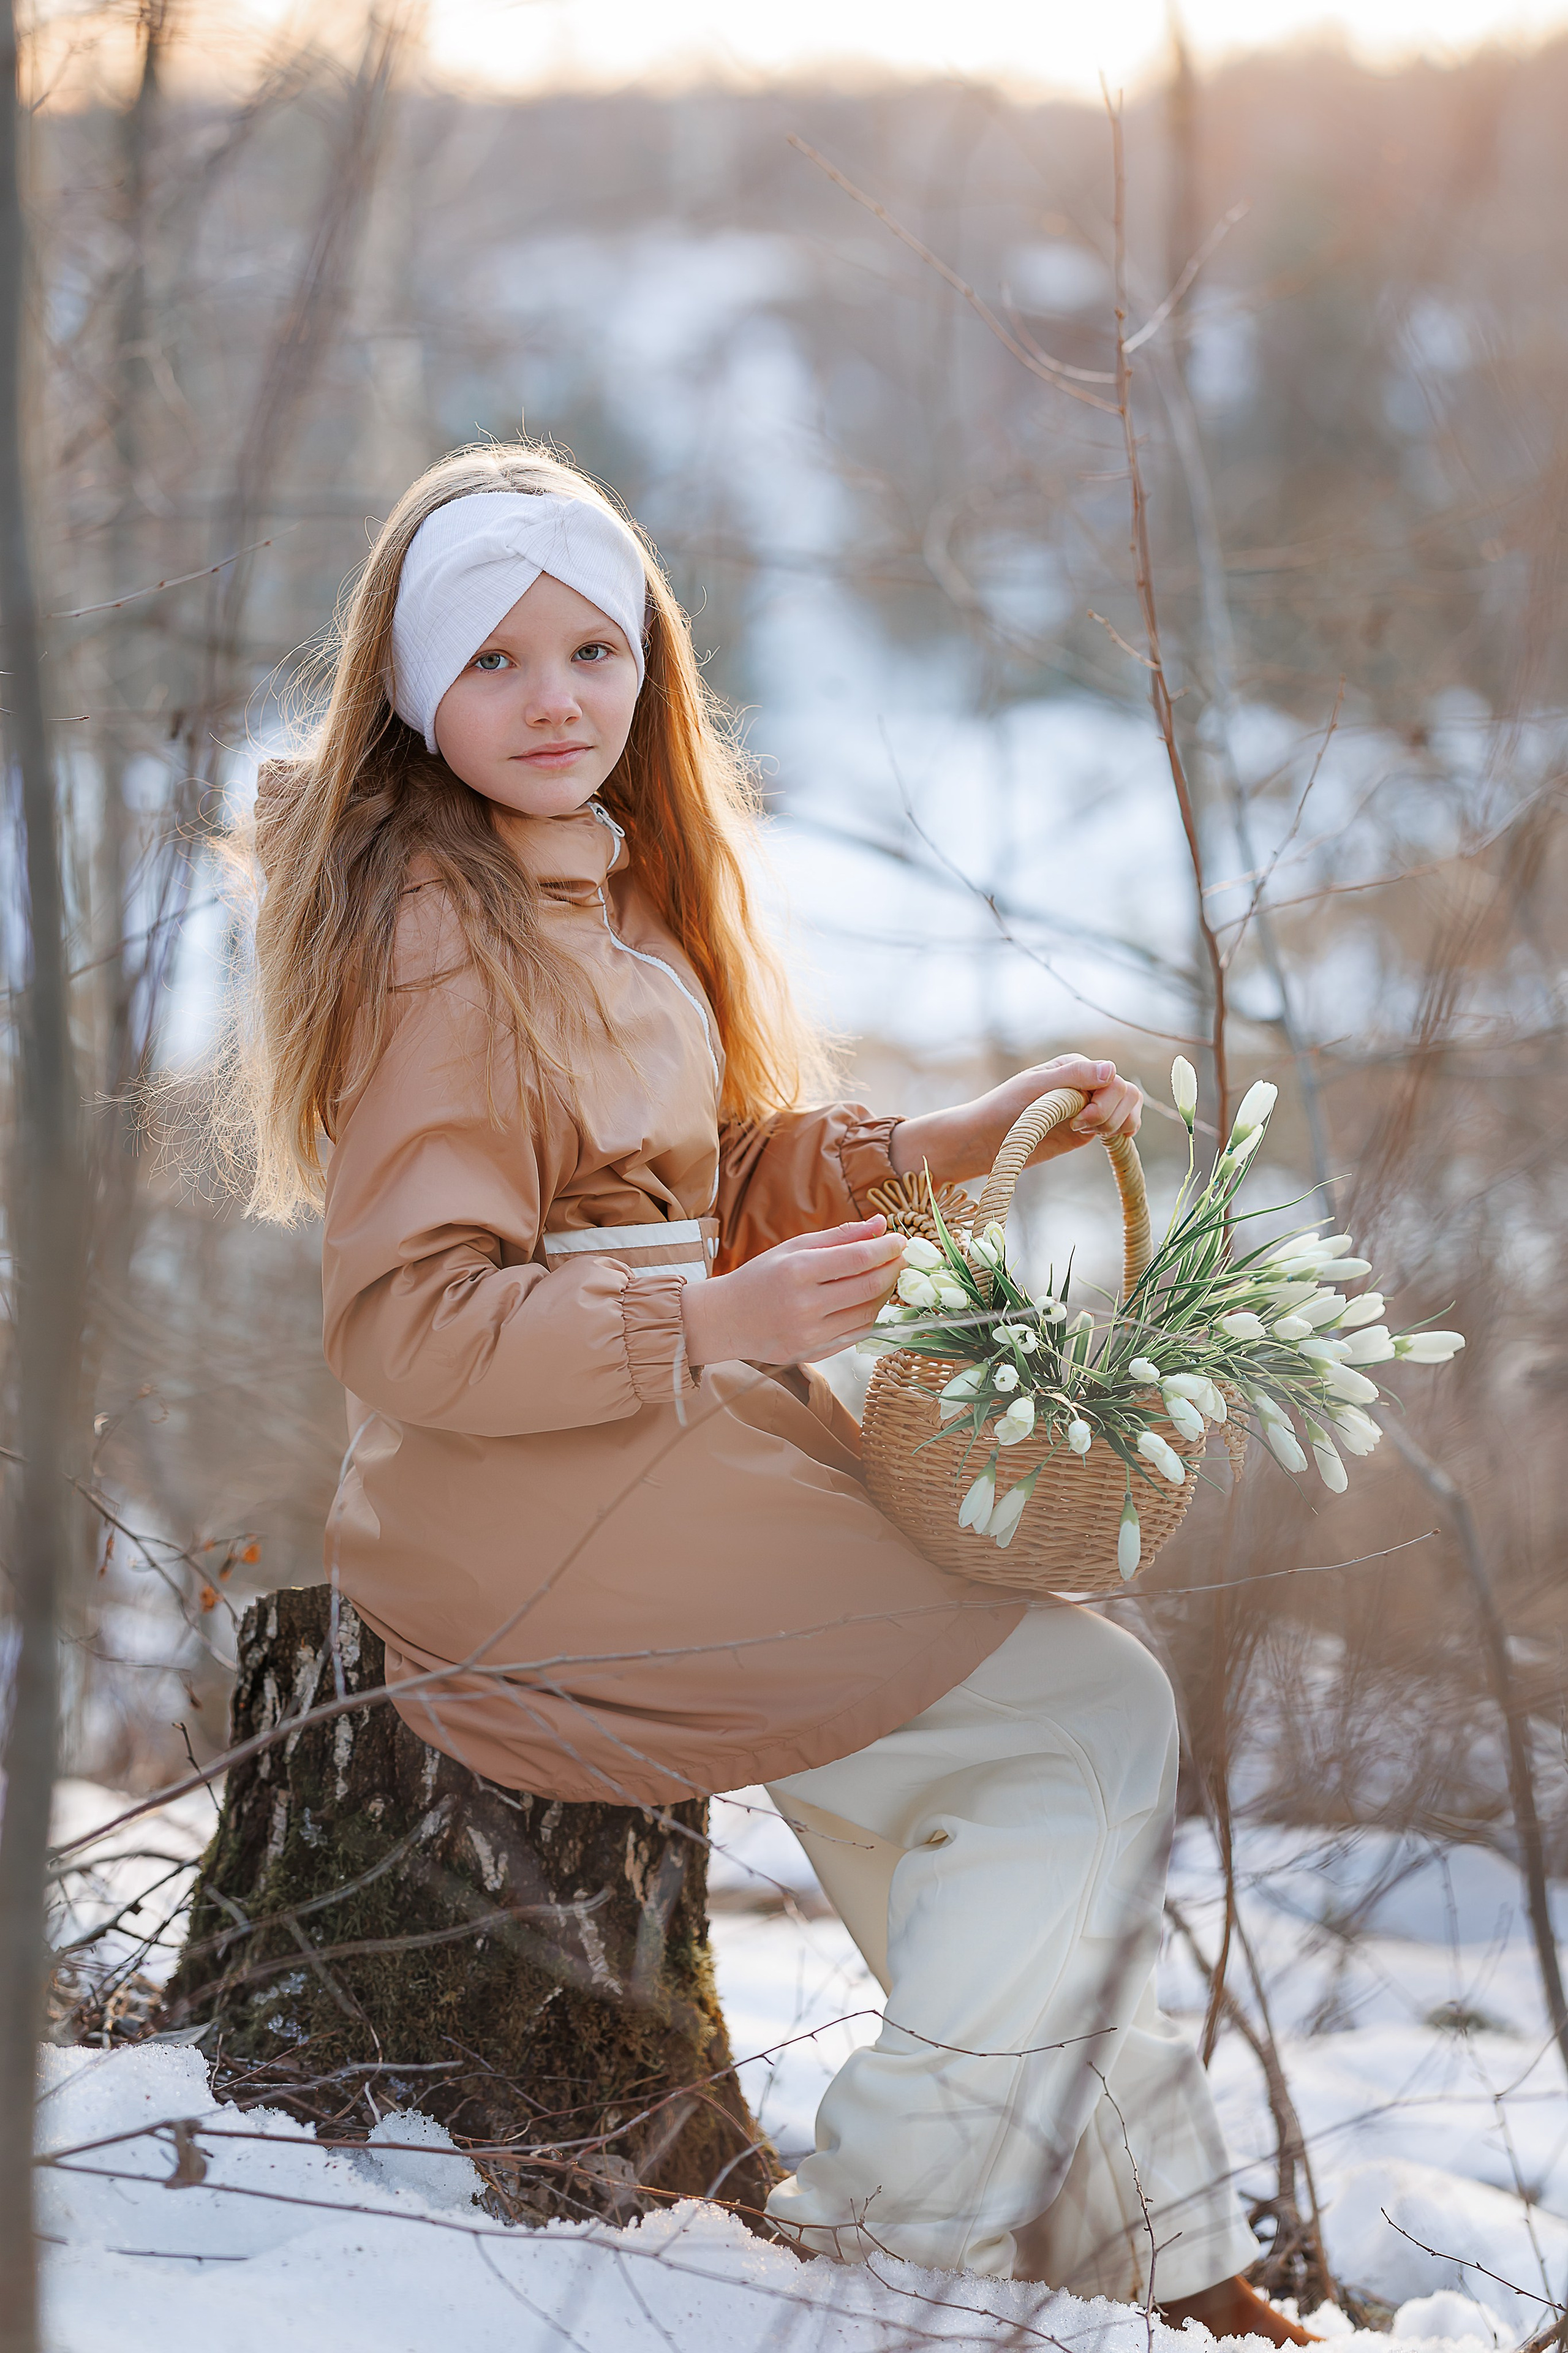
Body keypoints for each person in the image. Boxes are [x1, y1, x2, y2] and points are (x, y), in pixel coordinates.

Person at [243, 439, 1310, 2336]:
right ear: (415, 691)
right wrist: (721, 1332)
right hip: (533, 1509)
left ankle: (1169, 2264)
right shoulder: (438, 932)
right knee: (1089, 1711)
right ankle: (893, 2232)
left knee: (986, 1786)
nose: (555, 698)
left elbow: (682, 1182)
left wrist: (947, 1142)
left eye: (592, 647)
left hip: (650, 1450)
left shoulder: (588, 887)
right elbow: (409, 1322)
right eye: (492, 662)